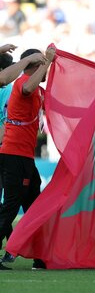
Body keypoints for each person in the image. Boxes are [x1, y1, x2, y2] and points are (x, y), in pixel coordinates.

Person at [0, 47, 54, 270]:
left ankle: (39, 256)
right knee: (12, 205)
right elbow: (29, 87)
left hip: (24, 156)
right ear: (34, 65)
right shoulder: (23, 82)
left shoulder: (38, 90)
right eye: (41, 66)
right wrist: (46, 63)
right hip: (14, 154)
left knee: (33, 206)